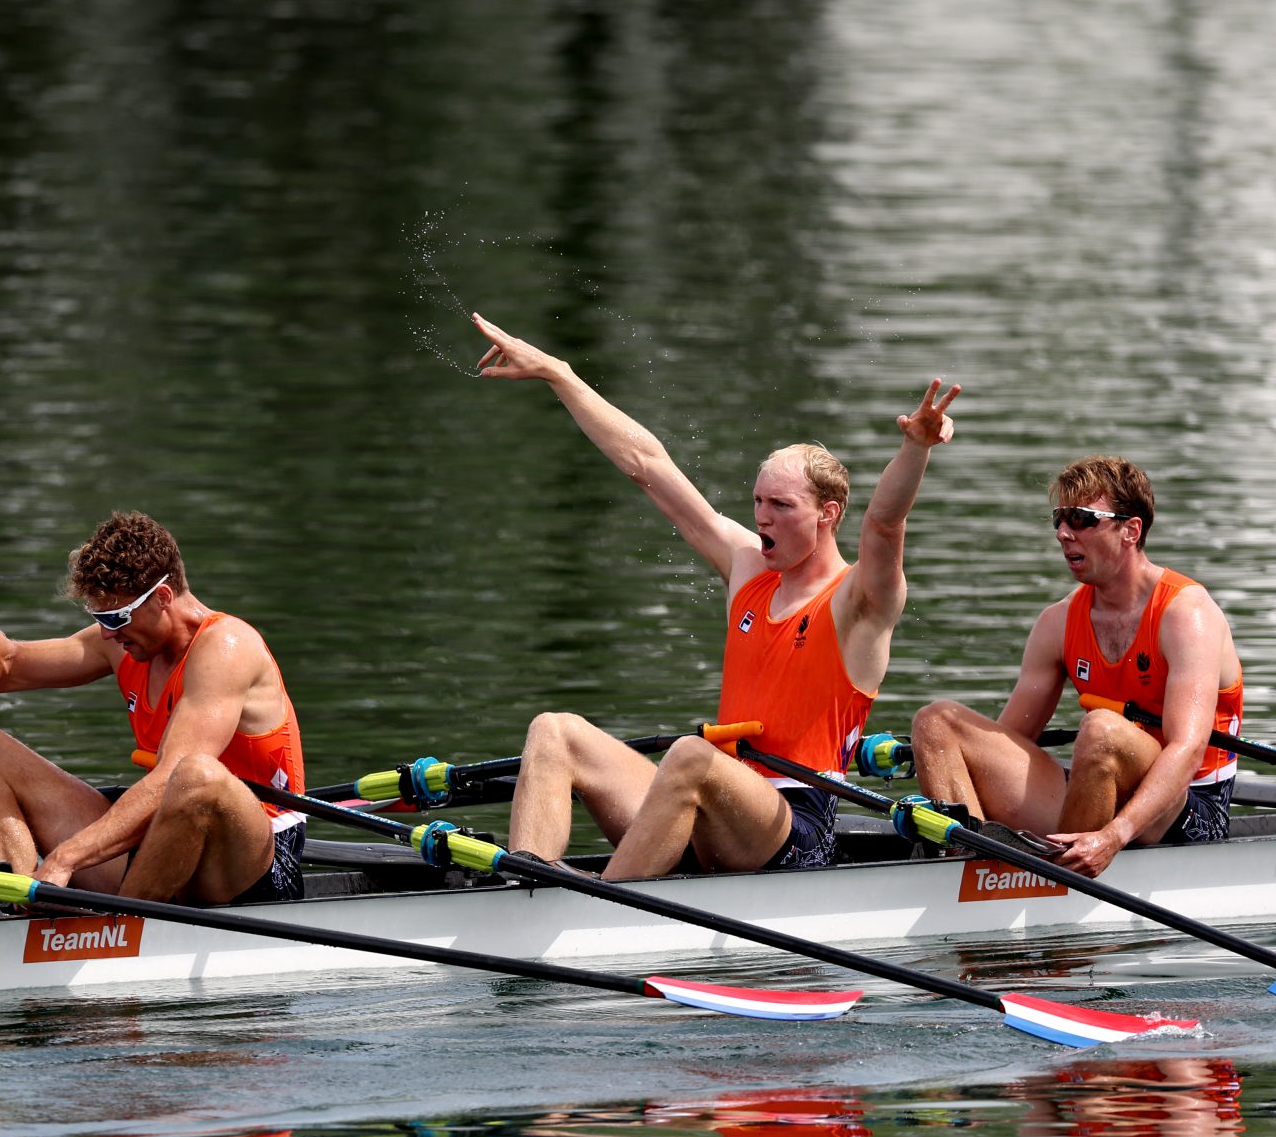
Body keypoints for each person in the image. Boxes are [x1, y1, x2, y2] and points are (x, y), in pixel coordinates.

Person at [471, 312, 957, 878]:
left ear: (828, 514)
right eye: (758, 502)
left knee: (691, 754)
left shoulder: (859, 601)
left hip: (796, 824)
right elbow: (648, 465)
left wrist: (916, 448)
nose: (761, 518)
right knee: (555, 733)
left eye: (781, 506)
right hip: (712, 804)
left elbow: (884, 525)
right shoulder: (748, 567)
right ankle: (526, 884)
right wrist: (560, 374)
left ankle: (598, 905)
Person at [0, 510, 306, 905]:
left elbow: (170, 780)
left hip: (251, 860)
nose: (109, 634)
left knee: (196, 775)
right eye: (100, 618)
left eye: (117, 618)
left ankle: (116, 931)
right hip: (162, 842)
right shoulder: (122, 642)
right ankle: (21, 906)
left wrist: (65, 857)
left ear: (162, 596)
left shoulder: (227, 645)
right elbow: (3, 668)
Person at [909, 456, 1242, 876]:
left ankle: (1059, 874)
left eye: (1083, 519)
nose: (1064, 533)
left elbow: (1188, 749)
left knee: (1102, 730)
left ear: (1130, 530)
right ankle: (967, 866)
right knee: (937, 723)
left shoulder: (1186, 614)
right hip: (1101, 790)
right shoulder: (1058, 622)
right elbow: (1011, 741)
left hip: (1187, 809)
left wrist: (1114, 836)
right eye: (1059, 519)